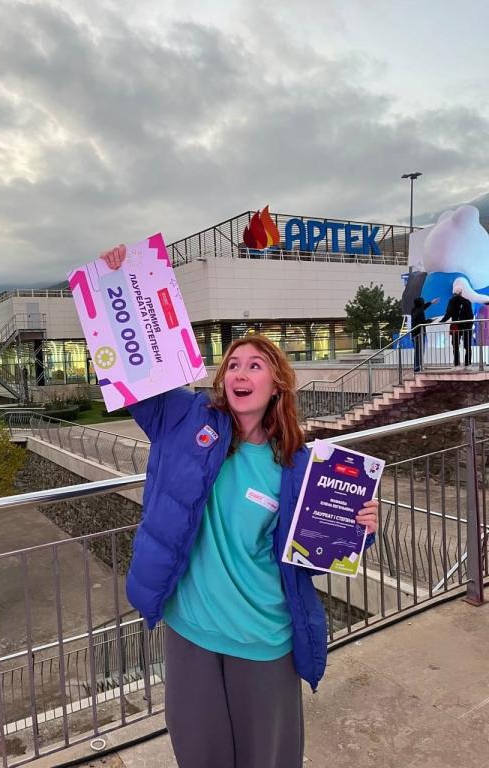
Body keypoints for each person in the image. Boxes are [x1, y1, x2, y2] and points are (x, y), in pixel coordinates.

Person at [101, 244, 379, 768]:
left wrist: (360, 530)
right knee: (199, 757)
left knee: (266, 758)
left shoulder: (301, 466)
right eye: (232, 365)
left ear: (277, 385)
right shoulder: (184, 419)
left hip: (263, 638)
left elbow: (316, 554)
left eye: (255, 365)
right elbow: (134, 374)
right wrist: (119, 281)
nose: (240, 373)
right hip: (191, 630)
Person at [441, 285, 474, 367]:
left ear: (454, 293)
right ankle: (468, 363)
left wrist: (442, 321)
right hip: (467, 327)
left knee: (455, 345)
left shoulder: (452, 301)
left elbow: (448, 313)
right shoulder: (467, 302)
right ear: (461, 292)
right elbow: (471, 315)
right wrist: (470, 325)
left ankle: (456, 363)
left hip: (456, 326)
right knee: (467, 345)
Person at [410, 296, 439, 372]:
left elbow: (423, 307)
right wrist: (430, 320)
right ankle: (417, 368)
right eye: (423, 302)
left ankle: (417, 367)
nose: (424, 302)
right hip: (419, 334)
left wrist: (431, 302)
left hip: (414, 334)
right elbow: (422, 323)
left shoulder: (414, 310)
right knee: (419, 351)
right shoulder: (420, 312)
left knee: (417, 351)